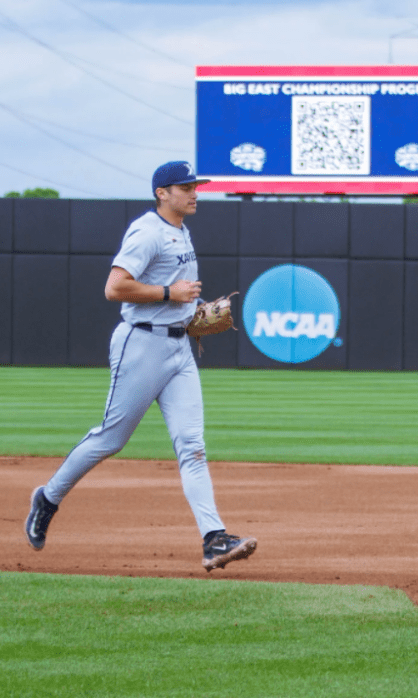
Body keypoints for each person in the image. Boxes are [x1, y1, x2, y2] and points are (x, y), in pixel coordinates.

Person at [24, 161, 257, 572]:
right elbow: (115, 287)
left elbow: (175, 295)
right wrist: (170, 292)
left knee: (193, 446)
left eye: (195, 186)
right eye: (185, 187)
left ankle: (214, 539)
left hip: (180, 348)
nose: (194, 192)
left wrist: (190, 308)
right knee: (111, 438)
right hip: (142, 344)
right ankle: (49, 497)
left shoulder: (181, 230)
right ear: (161, 193)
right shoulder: (147, 231)